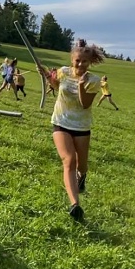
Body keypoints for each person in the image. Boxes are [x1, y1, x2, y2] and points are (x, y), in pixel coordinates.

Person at [37, 39, 104, 222]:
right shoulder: (64, 72)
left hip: (81, 127)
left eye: (84, 61)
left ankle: (82, 176)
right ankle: (75, 204)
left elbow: (85, 104)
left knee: (81, 166)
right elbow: (56, 85)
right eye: (77, 61)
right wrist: (46, 75)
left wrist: (81, 84)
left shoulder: (94, 80)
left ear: (90, 62)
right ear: (72, 60)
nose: (80, 64)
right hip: (61, 122)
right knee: (69, 160)